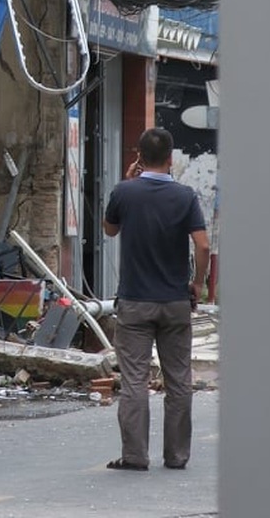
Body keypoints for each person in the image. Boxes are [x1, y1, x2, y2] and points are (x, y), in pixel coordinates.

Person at [103, 126, 211, 472]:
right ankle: (177, 456)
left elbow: (110, 229)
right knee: (179, 379)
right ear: (171, 158)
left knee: (134, 379)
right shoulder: (185, 196)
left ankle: (135, 456)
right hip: (175, 301)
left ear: (139, 156)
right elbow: (203, 244)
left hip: (135, 301)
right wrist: (197, 283)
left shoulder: (124, 191)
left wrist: (127, 183)